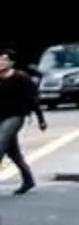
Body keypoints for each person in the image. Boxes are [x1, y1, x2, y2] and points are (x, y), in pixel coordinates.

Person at [0, 49, 44, 195]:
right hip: (0, 117)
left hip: (15, 116)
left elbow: (33, 99)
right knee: (13, 153)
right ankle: (28, 180)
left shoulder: (21, 77)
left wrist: (40, 119)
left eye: (4, 59)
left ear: (12, 62)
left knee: (1, 143)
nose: (1, 62)